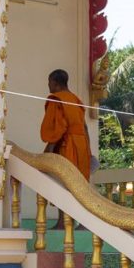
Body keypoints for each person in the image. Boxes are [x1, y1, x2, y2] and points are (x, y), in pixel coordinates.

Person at [40, 69, 92, 229]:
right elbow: (85, 127)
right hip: (81, 144)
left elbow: (59, 128)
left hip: (66, 145)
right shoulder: (76, 100)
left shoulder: (57, 100)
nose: (48, 85)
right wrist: (88, 150)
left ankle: (63, 221)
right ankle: (83, 222)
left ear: (55, 82)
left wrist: (48, 150)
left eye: (49, 82)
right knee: (81, 183)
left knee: (64, 182)